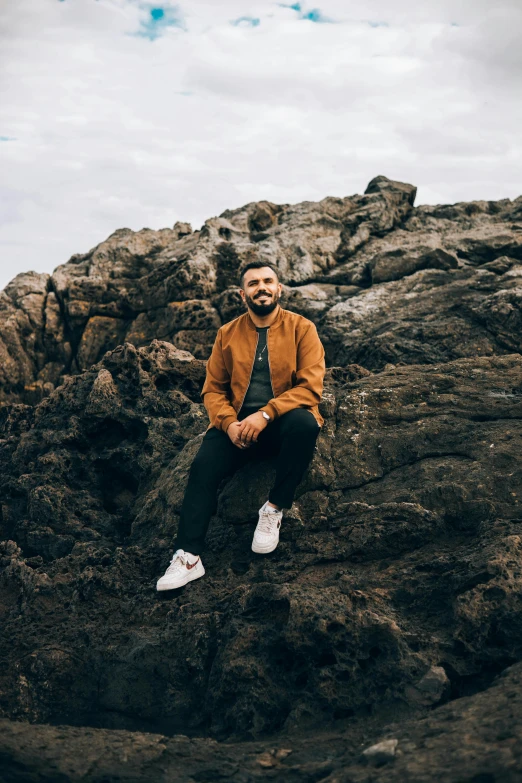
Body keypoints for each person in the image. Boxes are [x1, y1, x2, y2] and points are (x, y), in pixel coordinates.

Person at [156, 261, 326, 591]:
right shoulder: (227, 334)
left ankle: (274, 508)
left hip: (279, 424)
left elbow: (310, 387)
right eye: (253, 283)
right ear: (242, 293)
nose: (261, 287)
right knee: (203, 466)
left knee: (306, 425)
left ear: (279, 289)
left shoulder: (302, 328)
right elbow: (212, 390)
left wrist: (264, 414)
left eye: (267, 281)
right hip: (236, 430)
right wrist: (230, 424)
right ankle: (188, 557)